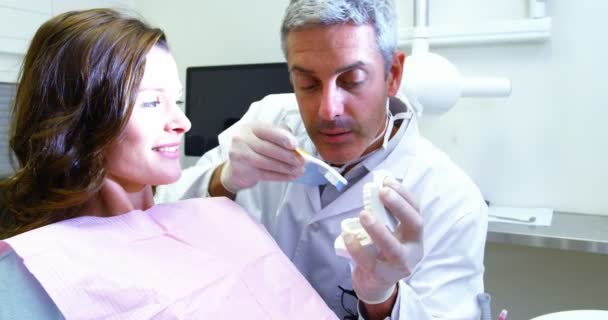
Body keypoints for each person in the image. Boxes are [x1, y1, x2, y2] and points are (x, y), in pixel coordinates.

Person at [156, 0, 488, 319]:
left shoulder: (450, 199)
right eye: (308, 83)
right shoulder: (268, 118)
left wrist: (382, 299)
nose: (328, 110)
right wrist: (223, 180)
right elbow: (156, 214)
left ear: (393, 75)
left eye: (351, 81)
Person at [0, 9, 337, 319]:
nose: (183, 122)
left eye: (175, 100)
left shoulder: (219, 220)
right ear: (81, 116)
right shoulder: (35, 268)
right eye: (151, 102)